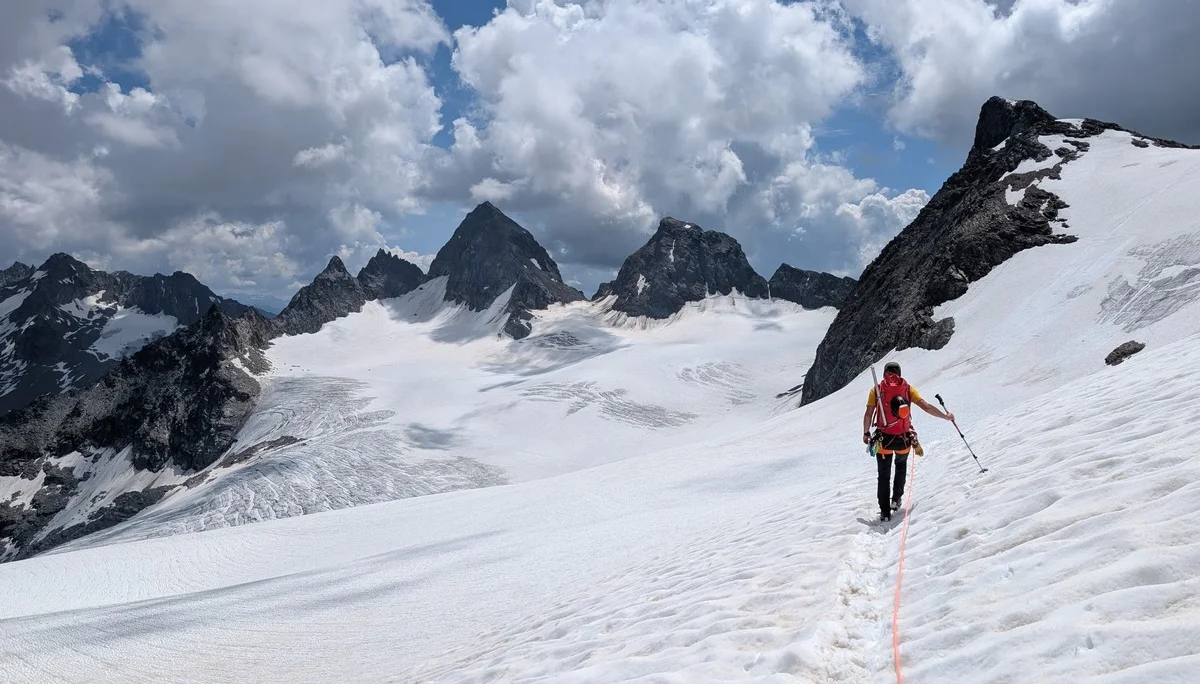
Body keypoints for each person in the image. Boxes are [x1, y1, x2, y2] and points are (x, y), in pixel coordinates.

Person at [862, 361, 954, 522]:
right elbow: (926, 406)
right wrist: (945, 417)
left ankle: (884, 512)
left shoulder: (876, 390)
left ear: (884, 373)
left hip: (883, 441)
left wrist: (866, 433)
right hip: (903, 439)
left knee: (883, 476)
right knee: (901, 466)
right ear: (899, 373)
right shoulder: (907, 388)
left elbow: (869, 413)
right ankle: (896, 499)